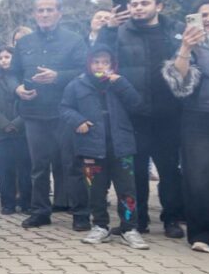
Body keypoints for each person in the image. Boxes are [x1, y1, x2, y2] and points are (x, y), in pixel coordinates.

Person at [98, 0, 185, 238]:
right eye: (134, 4)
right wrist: (110, 28)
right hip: (132, 113)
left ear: (159, 6)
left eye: (144, 3)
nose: (137, 8)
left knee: (169, 171)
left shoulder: (173, 31)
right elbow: (100, 58)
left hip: (168, 112)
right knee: (133, 172)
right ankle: (137, 220)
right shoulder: (119, 32)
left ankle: (171, 220)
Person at [163, 0, 209, 253]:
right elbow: (179, 83)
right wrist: (185, 48)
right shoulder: (192, 44)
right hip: (200, 118)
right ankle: (206, 235)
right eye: (204, 15)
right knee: (202, 177)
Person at [12, 0, 89, 231]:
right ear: (35, 14)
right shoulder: (24, 43)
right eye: (40, 10)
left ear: (59, 13)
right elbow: (12, 73)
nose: (44, 14)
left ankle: (81, 214)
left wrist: (58, 77)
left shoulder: (74, 40)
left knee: (72, 165)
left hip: (64, 113)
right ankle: (40, 212)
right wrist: (18, 88)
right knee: (38, 166)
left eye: (49, 10)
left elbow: (84, 71)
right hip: (34, 113)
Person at [60, 45, 148, 249]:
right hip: (91, 146)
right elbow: (64, 108)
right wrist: (77, 121)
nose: (100, 66)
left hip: (121, 146)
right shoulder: (77, 84)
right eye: (96, 61)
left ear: (113, 64)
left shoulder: (120, 82)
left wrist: (122, 84)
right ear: (89, 63)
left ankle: (129, 228)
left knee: (127, 189)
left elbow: (138, 106)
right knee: (96, 190)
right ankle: (100, 226)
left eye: (105, 62)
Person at [0, 47, 31, 215]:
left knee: (25, 168)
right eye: (1, 57)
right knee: (5, 168)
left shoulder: (24, 78)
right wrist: (4, 123)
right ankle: (8, 203)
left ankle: (27, 202)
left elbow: (29, 103)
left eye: (8, 56)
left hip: (23, 130)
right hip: (2, 132)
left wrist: (17, 123)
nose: (4, 60)